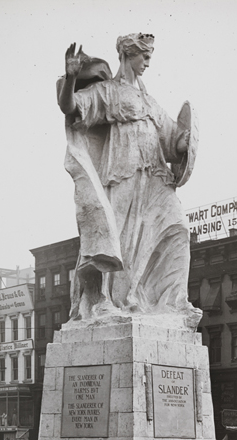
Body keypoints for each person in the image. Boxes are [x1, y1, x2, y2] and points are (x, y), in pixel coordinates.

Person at [57, 33, 201, 326]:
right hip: (122, 174)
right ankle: (106, 301)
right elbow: (71, 108)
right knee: (117, 240)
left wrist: (185, 143)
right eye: (143, 56)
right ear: (127, 55)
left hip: (156, 178)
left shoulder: (151, 102)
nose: (147, 62)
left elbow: (173, 141)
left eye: (149, 57)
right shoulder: (108, 92)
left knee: (177, 228)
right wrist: (71, 78)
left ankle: (173, 302)